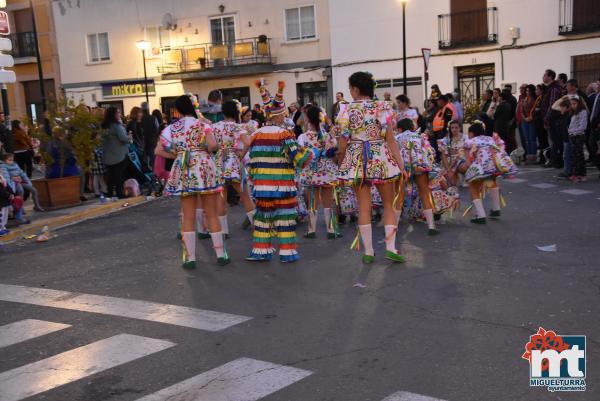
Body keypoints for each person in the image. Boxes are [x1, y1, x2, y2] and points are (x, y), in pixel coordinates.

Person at [336, 71, 407, 264]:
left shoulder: (345, 110)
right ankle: (391, 248)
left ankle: (368, 251)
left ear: (356, 89)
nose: (350, 91)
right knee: (388, 204)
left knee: (364, 207)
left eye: (350, 88)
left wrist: (341, 160)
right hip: (380, 156)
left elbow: (342, 142)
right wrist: (401, 166)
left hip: (356, 158)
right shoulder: (383, 107)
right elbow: (391, 140)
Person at [245, 80, 314, 263]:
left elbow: (251, 161)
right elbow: (299, 160)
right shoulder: (285, 135)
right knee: (284, 218)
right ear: (278, 116)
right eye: (283, 114)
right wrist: (310, 152)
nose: (285, 117)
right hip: (282, 186)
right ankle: (286, 253)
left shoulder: (255, 135)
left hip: (261, 187)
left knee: (263, 219)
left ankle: (261, 251)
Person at [156, 94, 228, 268]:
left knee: (187, 215)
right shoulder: (202, 124)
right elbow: (212, 145)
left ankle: (190, 258)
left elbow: (158, 150)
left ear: (178, 110)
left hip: (184, 169)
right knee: (211, 213)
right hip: (204, 168)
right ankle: (221, 254)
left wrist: (176, 154)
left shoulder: (171, 129)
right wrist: (204, 150)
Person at [212, 100, 255, 237]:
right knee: (245, 196)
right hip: (234, 162)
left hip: (219, 162)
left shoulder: (215, 126)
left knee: (221, 197)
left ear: (223, 112)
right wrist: (241, 154)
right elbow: (248, 142)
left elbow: (211, 145)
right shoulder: (237, 127)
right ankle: (257, 226)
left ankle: (224, 231)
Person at [297, 105, 341, 239]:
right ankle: (331, 230)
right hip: (326, 171)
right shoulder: (327, 136)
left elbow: (299, 155)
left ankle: (311, 230)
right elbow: (335, 151)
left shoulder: (303, 137)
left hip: (310, 172)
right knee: (328, 201)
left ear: (308, 119)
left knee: (312, 201)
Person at [464, 121, 518, 224]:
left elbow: (466, 149)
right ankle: (496, 208)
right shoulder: (489, 138)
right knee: (492, 181)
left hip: (481, 166)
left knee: (473, 186)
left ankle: (480, 215)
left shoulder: (471, 141)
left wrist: (469, 164)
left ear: (472, 132)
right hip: (493, 166)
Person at [395, 118, 438, 235]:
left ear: (399, 129)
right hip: (420, 165)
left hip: (404, 167)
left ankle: (393, 228)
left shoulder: (397, 138)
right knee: (425, 192)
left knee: (399, 195)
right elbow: (430, 151)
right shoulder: (419, 137)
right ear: (412, 127)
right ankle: (431, 226)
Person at [101, 107, 130, 199]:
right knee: (118, 175)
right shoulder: (116, 126)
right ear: (113, 114)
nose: (119, 114)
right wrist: (129, 137)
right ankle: (119, 193)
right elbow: (123, 138)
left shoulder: (104, 125)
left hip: (108, 155)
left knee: (110, 175)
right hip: (119, 154)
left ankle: (109, 193)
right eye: (118, 112)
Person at [541, 69, 564, 168]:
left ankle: (555, 161)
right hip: (551, 118)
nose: (543, 77)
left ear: (550, 77)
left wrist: (546, 118)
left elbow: (552, 105)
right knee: (554, 141)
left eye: (545, 75)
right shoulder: (549, 88)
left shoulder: (554, 88)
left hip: (554, 118)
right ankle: (554, 160)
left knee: (555, 141)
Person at [438, 120, 468, 186]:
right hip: (449, 162)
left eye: (456, 127)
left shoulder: (466, 138)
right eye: (452, 127)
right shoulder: (446, 140)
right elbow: (443, 155)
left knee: (464, 167)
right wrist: (448, 170)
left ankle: (464, 176)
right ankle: (454, 175)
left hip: (461, 160)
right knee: (452, 183)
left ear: (460, 128)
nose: (454, 129)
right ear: (450, 129)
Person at [568, 96, 588, 182]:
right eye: (571, 104)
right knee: (576, 155)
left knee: (578, 156)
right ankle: (580, 174)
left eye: (574, 103)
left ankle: (577, 174)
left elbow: (583, 126)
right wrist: (570, 131)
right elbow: (573, 124)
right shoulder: (574, 112)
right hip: (573, 135)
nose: (573, 105)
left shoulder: (583, 112)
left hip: (578, 136)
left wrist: (573, 131)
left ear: (579, 103)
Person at [521, 85, 538, 163]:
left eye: (529, 91)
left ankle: (533, 156)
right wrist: (524, 118)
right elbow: (521, 110)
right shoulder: (524, 99)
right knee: (527, 139)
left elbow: (534, 109)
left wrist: (530, 117)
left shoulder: (534, 99)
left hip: (532, 120)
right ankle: (528, 156)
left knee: (532, 139)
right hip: (525, 121)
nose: (527, 92)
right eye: (526, 91)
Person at [532, 84, 548, 164]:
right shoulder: (538, 98)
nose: (536, 91)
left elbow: (541, 108)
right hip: (537, 121)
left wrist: (537, 110)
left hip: (541, 121)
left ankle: (545, 158)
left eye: (537, 89)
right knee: (541, 141)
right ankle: (542, 157)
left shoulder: (543, 98)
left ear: (541, 90)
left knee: (543, 140)